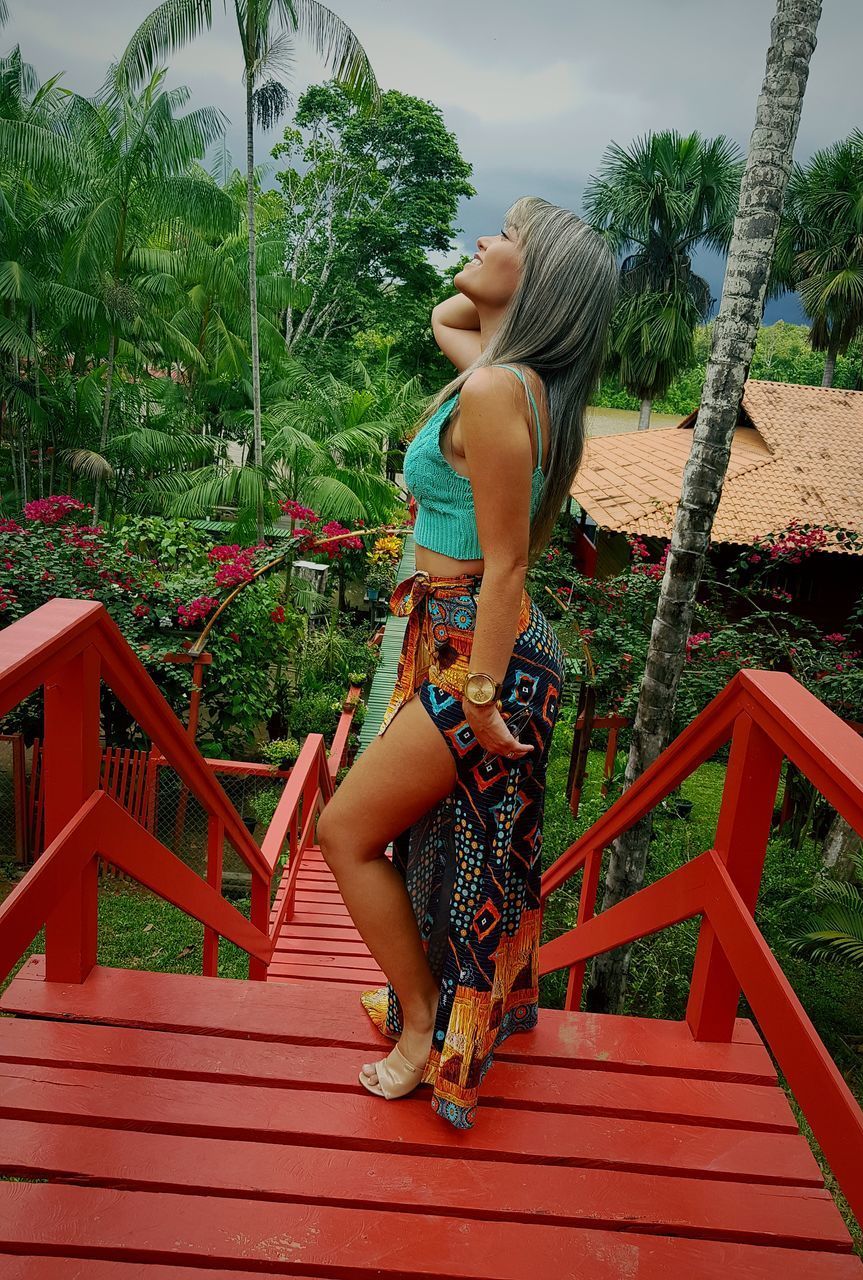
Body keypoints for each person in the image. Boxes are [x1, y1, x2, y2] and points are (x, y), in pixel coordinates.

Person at [316, 195, 618, 1129]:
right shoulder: (506, 379)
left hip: (478, 650)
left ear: (543, 285)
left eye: (508, 239)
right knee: (439, 846)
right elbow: (446, 314)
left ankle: (421, 1028)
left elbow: (510, 563)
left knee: (344, 831)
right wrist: (494, 311)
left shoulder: (494, 392)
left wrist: (479, 692)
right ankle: (444, 1011)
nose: (483, 239)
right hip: (460, 638)